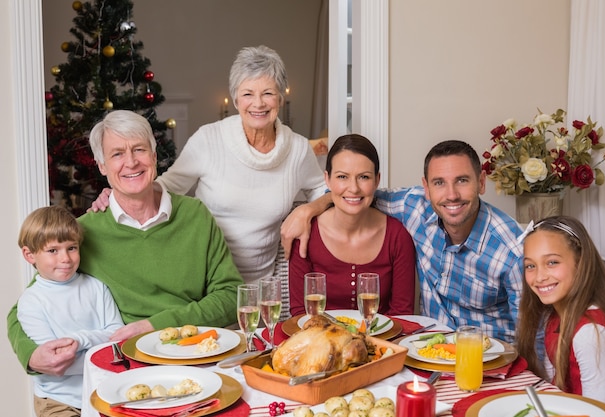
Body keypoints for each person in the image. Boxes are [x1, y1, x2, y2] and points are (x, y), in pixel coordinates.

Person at [7, 109, 244, 377]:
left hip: (198, 355)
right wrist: (30, 355)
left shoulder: (194, 215)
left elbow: (231, 295)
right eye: (117, 154)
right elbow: (29, 301)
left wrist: (156, 325)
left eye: (139, 150)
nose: (131, 163)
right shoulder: (85, 231)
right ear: (102, 166)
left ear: (154, 157)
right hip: (130, 369)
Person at [91, 45, 326, 284]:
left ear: (280, 97)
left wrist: (307, 210)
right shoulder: (209, 139)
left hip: (260, 284)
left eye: (268, 93)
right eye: (248, 94)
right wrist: (118, 195)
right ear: (235, 99)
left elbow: (325, 191)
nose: (258, 103)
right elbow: (167, 186)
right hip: (205, 281)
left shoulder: (296, 149)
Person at [281, 140, 523, 342]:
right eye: (439, 182)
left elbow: (534, 333)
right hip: (431, 352)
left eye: (462, 180)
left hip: (491, 357)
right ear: (426, 188)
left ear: (481, 183)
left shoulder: (511, 249)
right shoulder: (416, 208)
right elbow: (351, 197)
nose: (451, 195)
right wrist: (307, 209)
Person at [289, 134, 416, 316]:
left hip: (384, 342)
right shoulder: (305, 235)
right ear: (327, 179)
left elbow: (402, 314)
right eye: (342, 177)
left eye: (364, 177)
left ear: (377, 180)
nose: (354, 188)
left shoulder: (397, 237)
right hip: (320, 341)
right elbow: (300, 313)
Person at [16, 205, 124, 416]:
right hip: (59, 400)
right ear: (29, 254)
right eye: (53, 250)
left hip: (103, 393)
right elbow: (57, 363)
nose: (65, 258)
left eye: (71, 248)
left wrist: (80, 340)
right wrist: (100, 349)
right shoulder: (31, 302)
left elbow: (117, 339)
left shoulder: (96, 287)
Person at [517, 216, 605, 411]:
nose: (540, 277)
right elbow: (556, 391)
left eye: (552, 262)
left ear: (581, 262)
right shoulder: (554, 317)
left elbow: (597, 413)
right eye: (530, 266)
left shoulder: (591, 334)